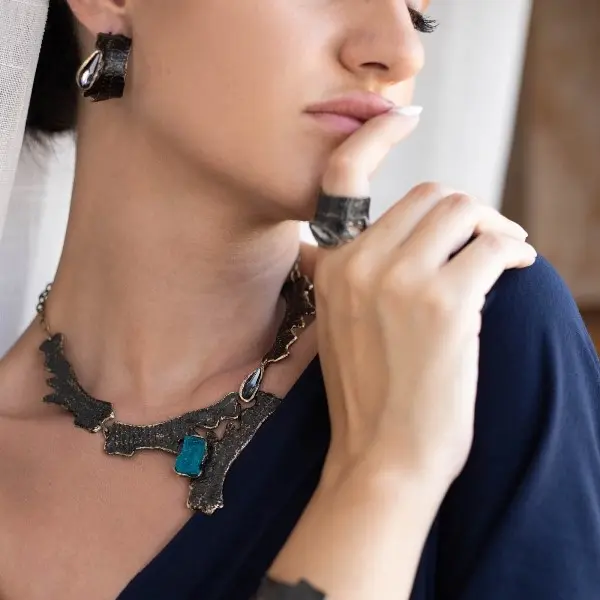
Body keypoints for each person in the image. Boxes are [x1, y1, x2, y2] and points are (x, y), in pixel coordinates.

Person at [0, 0, 598, 599]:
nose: (403, 52)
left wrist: (391, 469)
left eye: (418, 13)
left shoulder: (474, 323)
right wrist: (378, 476)